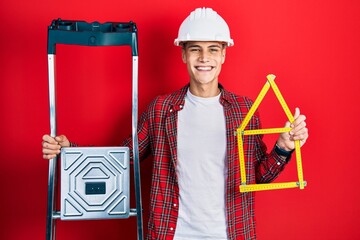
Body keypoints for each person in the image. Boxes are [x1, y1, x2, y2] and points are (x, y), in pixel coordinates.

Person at [42, 7, 308, 240]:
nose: (204, 58)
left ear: (224, 55)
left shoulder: (244, 110)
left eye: (213, 50)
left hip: (231, 233)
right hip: (172, 233)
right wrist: (70, 150)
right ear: (183, 54)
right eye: (196, 50)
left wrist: (284, 147)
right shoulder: (161, 109)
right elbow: (125, 161)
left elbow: (259, 176)